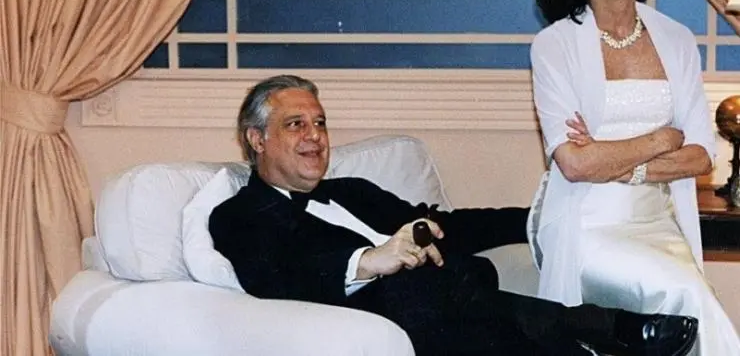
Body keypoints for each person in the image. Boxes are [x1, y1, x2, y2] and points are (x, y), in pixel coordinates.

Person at [210, 74, 698, 356]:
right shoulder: (239, 214)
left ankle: (596, 334)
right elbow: (276, 276)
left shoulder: (353, 191)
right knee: (416, 290)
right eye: (296, 124)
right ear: (257, 139)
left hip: (456, 307)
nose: (315, 136)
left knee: (468, 299)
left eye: (319, 122)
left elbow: (448, 225)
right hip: (392, 316)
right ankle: (606, 329)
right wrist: (370, 260)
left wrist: (539, 216)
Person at [527, 0, 740, 355]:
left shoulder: (677, 40)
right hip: (587, 227)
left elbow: (701, 155)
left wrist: (615, 161)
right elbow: (575, 166)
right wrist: (662, 138)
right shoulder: (553, 46)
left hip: (661, 223)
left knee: (688, 293)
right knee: (684, 294)